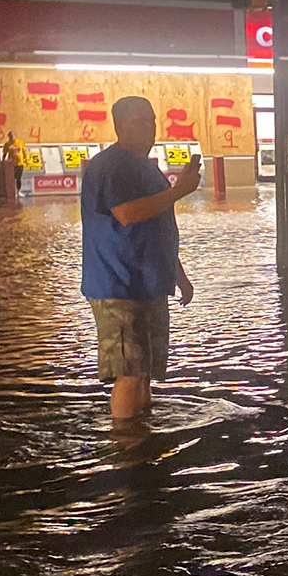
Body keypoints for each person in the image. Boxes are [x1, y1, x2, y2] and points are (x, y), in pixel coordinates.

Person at [79, 96, 199, 423]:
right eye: (139, 122)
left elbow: (159, 223)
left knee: (144, 370)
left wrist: (178, 274)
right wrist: (179, 190)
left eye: (152, 120)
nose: (149, 128)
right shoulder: (111, 165)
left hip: (149, 283)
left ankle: (141, 433)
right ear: (119, 126)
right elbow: (127, 213)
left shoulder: (147, 167)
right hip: (118, 283)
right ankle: (125, 444)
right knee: (129, 372)